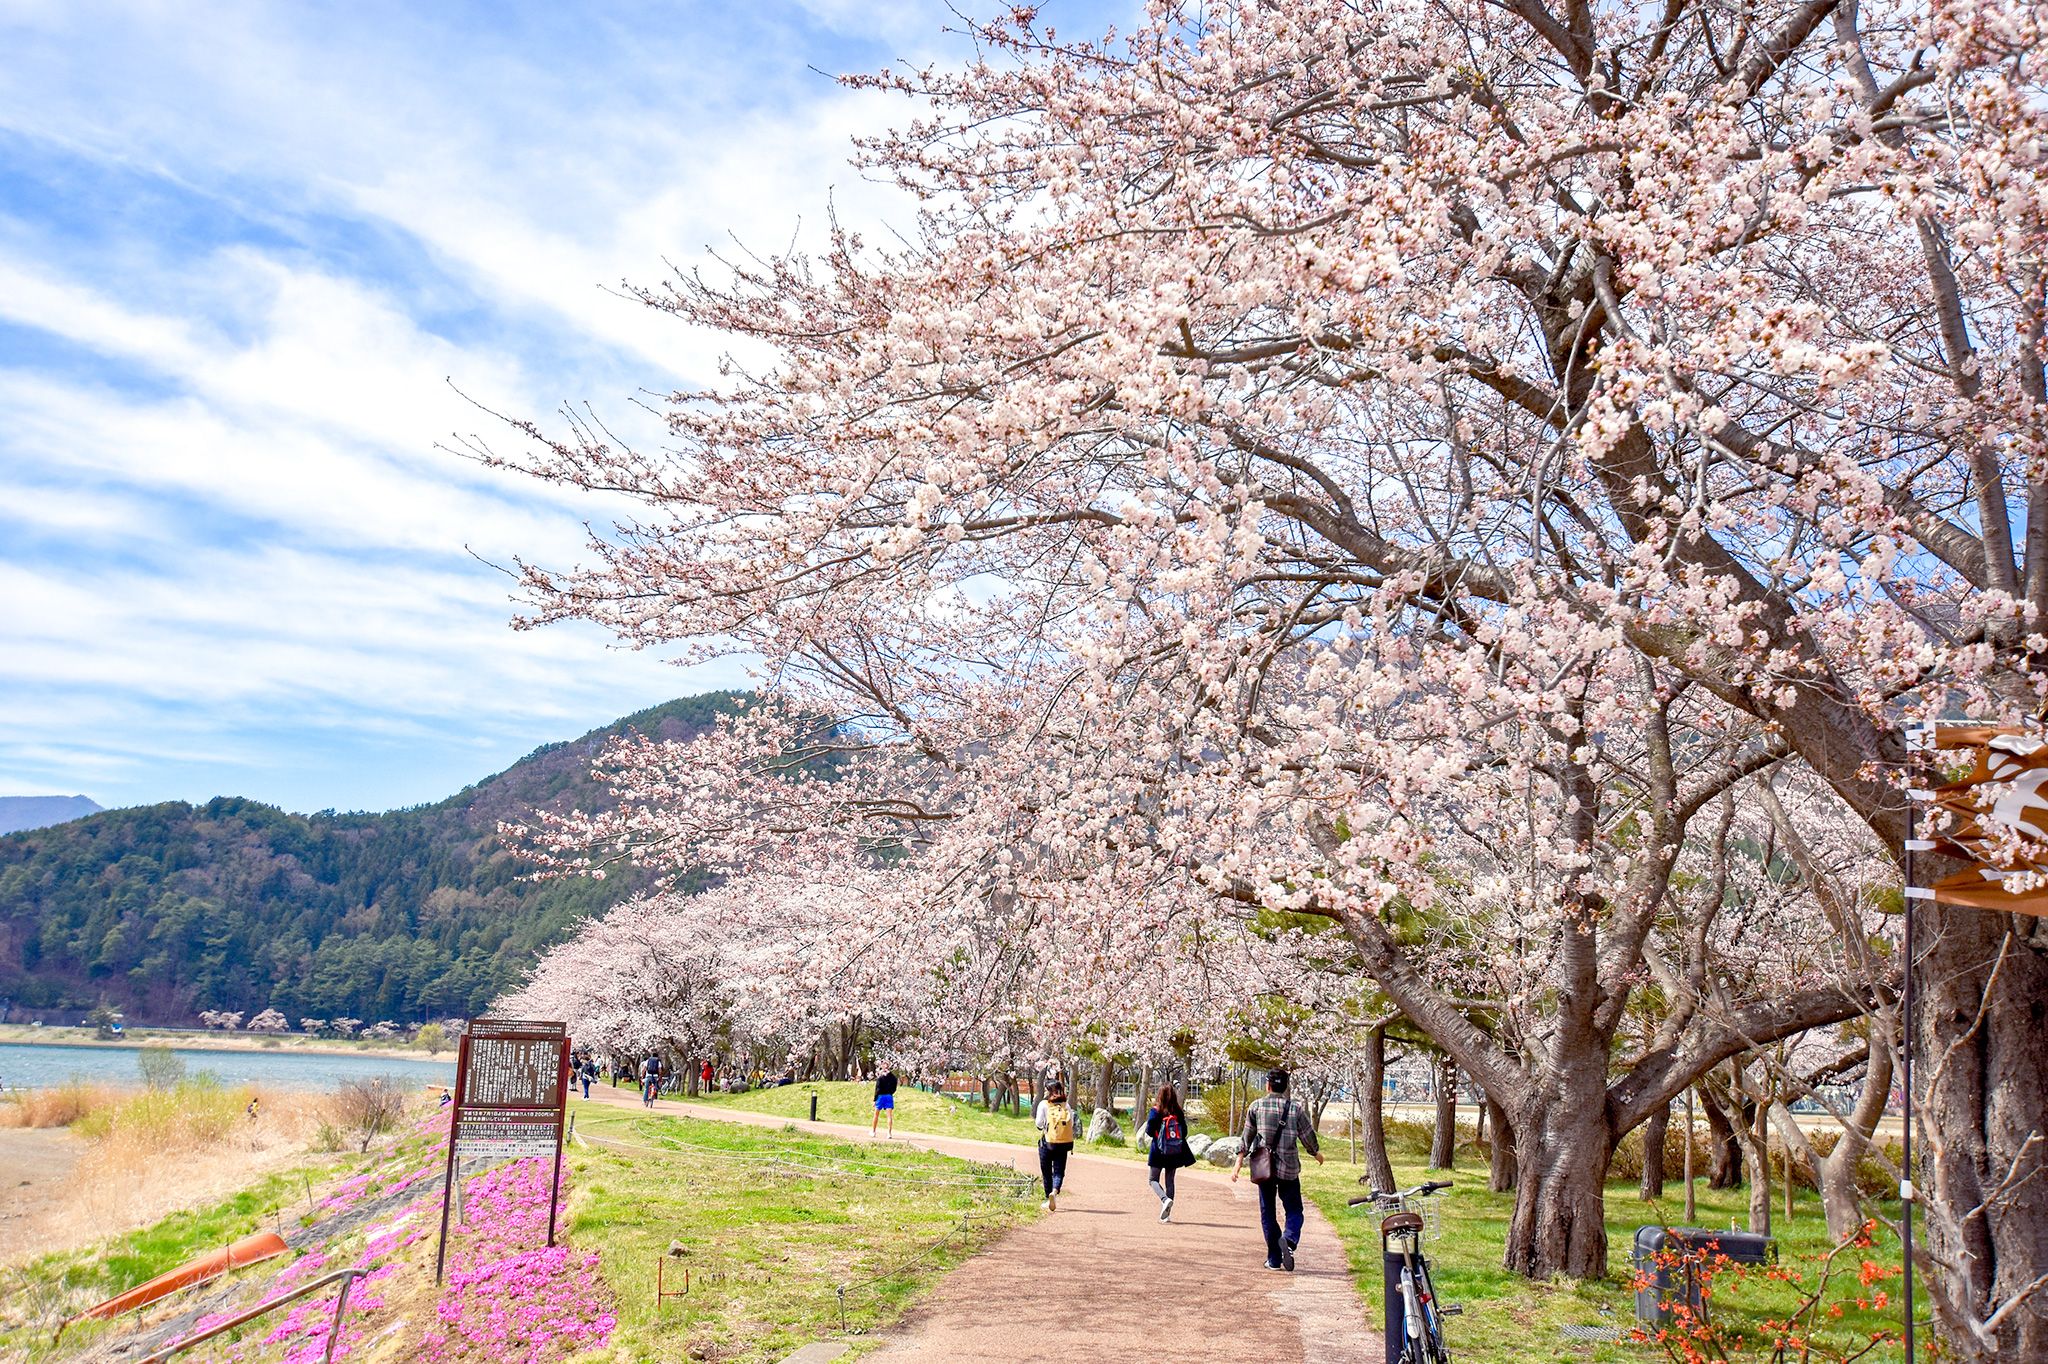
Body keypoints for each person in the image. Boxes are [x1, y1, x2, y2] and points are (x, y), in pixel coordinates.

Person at [1232, 1068, 1324, 1271]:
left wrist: (1239, 1162)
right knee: (1294, 1210)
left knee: (1268, 1213)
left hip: (1264, 1169)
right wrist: (1315, 1153)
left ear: (1267, 1085)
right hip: (1289, 1169)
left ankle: (1274, 1259)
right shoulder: (1295, 1109)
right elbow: (1307, 1136)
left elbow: (1246, 1137)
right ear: (1286, 1086)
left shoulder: (1256, 1107)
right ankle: (1289, 1240)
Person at [1139, 1082, 1196, 1221]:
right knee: (1170, 1181)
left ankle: (1164, 1200)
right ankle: (1167, 1215)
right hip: (1175, 1151)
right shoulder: (1178, 1112)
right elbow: (1184, 1132)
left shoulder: (1155, 1111)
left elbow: (1149, 1131)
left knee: (1153, 1180)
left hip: (1158, 1150)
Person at [1034, 1077, 1077, 1211]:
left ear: (1048, 1091)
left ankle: (1048, 1198)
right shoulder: (1066, 1105)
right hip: (1063, 1144)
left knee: (1046, 1172)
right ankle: (1055, 1191)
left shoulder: (1043, 1105)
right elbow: (1071, 1124)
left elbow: (1039, 1124)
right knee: (1058, 1171)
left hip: (1047, 1144)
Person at [872, 1065, 898, 1137]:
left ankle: (873, 1131)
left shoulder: (880, 1078)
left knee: (876, 1114)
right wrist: (890, 1093)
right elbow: (894, 1088)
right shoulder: (893, 1078)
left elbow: (877, 1089)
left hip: (880, 1096)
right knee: (889, 1116)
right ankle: (889, 1133)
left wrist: (875, 1099)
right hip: (889, 1096)